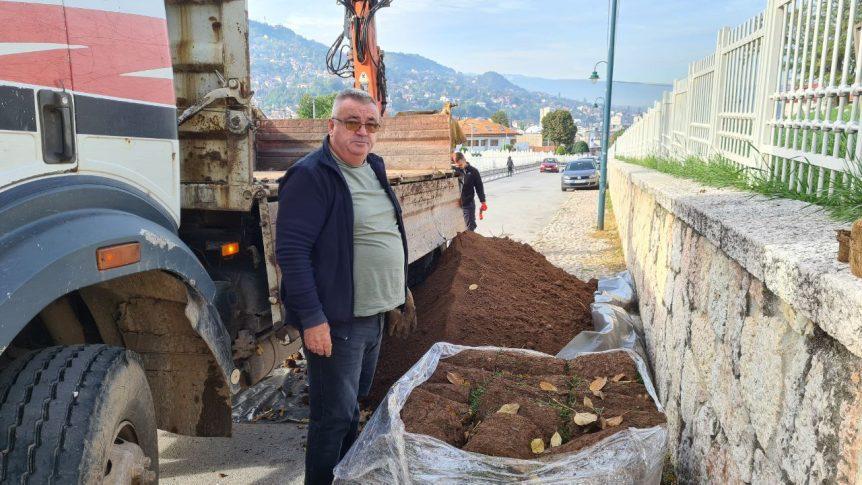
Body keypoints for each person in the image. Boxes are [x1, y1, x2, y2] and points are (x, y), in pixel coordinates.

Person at [276, 88, 417, 485]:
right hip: (338, 320)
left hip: (373, 315)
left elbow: (381, 232)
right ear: (331, 125)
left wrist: (397, 290)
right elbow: (292, 254)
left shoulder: (373, 167)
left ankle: (346, 478)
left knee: (351, 409)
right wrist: (313, 319)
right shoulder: (310, 176)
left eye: (370, 124)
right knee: (332, 418)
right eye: (352, 121)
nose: (362, 131)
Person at [452, 152, 487, 231]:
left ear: (464, 160)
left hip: (468, 204)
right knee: (457, 229)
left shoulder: (473, 171)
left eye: (461, 165)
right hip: (456, 204)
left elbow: (479, 187)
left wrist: (483, 201)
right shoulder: (454, 172)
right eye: (457, 165)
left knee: (470, 227)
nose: (459, 167)